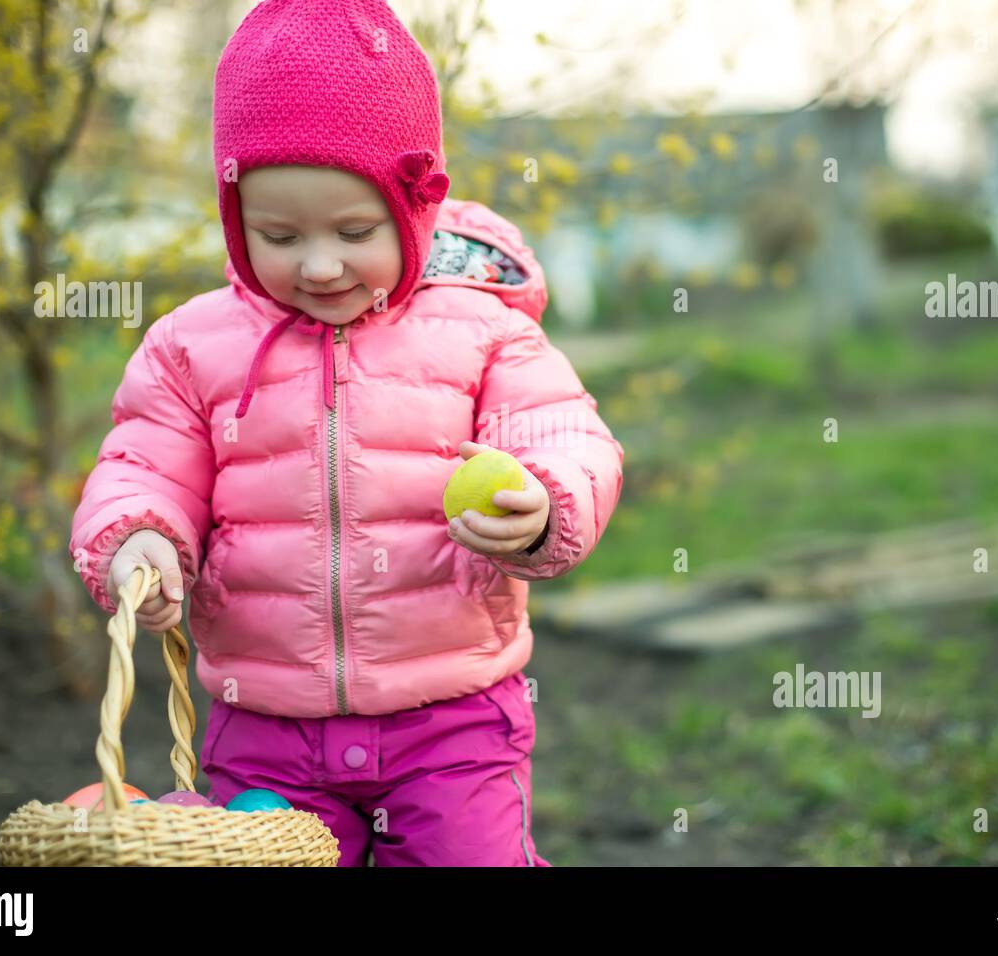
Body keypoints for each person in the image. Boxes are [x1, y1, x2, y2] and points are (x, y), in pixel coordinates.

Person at [68, 0, 625, 867]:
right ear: (234, 214)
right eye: (278, 235)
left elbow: (567, 433)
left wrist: (544, 505)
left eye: (355, 232)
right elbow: (145, 462)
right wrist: (139, 537)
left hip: (451, 719)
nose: (319, 265)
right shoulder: (194, 345)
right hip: (264, 727)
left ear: (414, 208)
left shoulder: (484, 331)